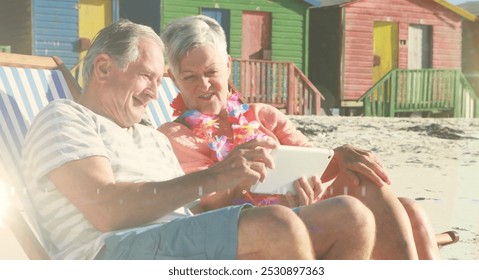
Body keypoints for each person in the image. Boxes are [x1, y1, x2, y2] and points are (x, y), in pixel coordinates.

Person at [20, 19, 377, 260]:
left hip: (174, 242)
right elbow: (105, 209)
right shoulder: (65, 117)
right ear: (102, 69)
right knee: (276, 226)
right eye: (147, 76)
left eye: (161, 80)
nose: (155, 94)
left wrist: (268, 185)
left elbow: (190, 211)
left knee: (350, 216)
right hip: (112, 253)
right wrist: (215, 176)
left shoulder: (148, 136)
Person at [157, 15, 440, 260]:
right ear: (174, 79)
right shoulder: (174, 137)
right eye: (190, 77)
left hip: (302, 213)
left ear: (228, 66)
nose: (203, 85)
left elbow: (317, 163)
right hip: (250, 235)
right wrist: (241, 177)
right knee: (361, 210)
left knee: (401, 205)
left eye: (211, 72)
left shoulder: (263, 116)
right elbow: (205, 207)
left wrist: (340, 155)